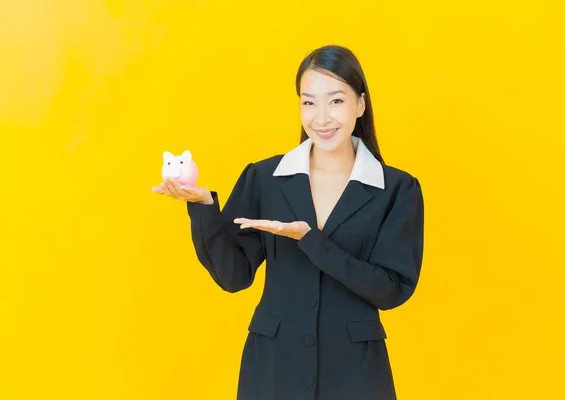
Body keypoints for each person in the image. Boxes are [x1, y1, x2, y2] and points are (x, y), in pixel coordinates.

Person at [152, 45, 424, 400]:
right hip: (272, 369)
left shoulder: (397, 189)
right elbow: (234, 277)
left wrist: (311, 240)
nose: (321, 118)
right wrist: (203, 207)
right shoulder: (265, 177)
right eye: (309, 102)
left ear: (360, 104)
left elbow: (390, 290)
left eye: (336, 101)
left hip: (355, 373)